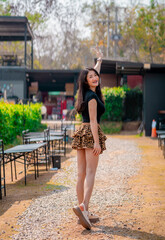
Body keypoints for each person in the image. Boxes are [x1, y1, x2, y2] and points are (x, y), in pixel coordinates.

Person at [72, 47, 107, 230]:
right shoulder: (92, 97)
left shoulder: (86, 93)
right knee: (90, 173)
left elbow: (94, 73)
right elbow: (94, 121)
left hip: (81, 132)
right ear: (86, 82)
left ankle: (82, 212)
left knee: (81, 174)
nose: (95, 78)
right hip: (90, 133)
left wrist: (99, 60)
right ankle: (84, 207)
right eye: (91, 77)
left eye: (96, 76)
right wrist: (96, 142)